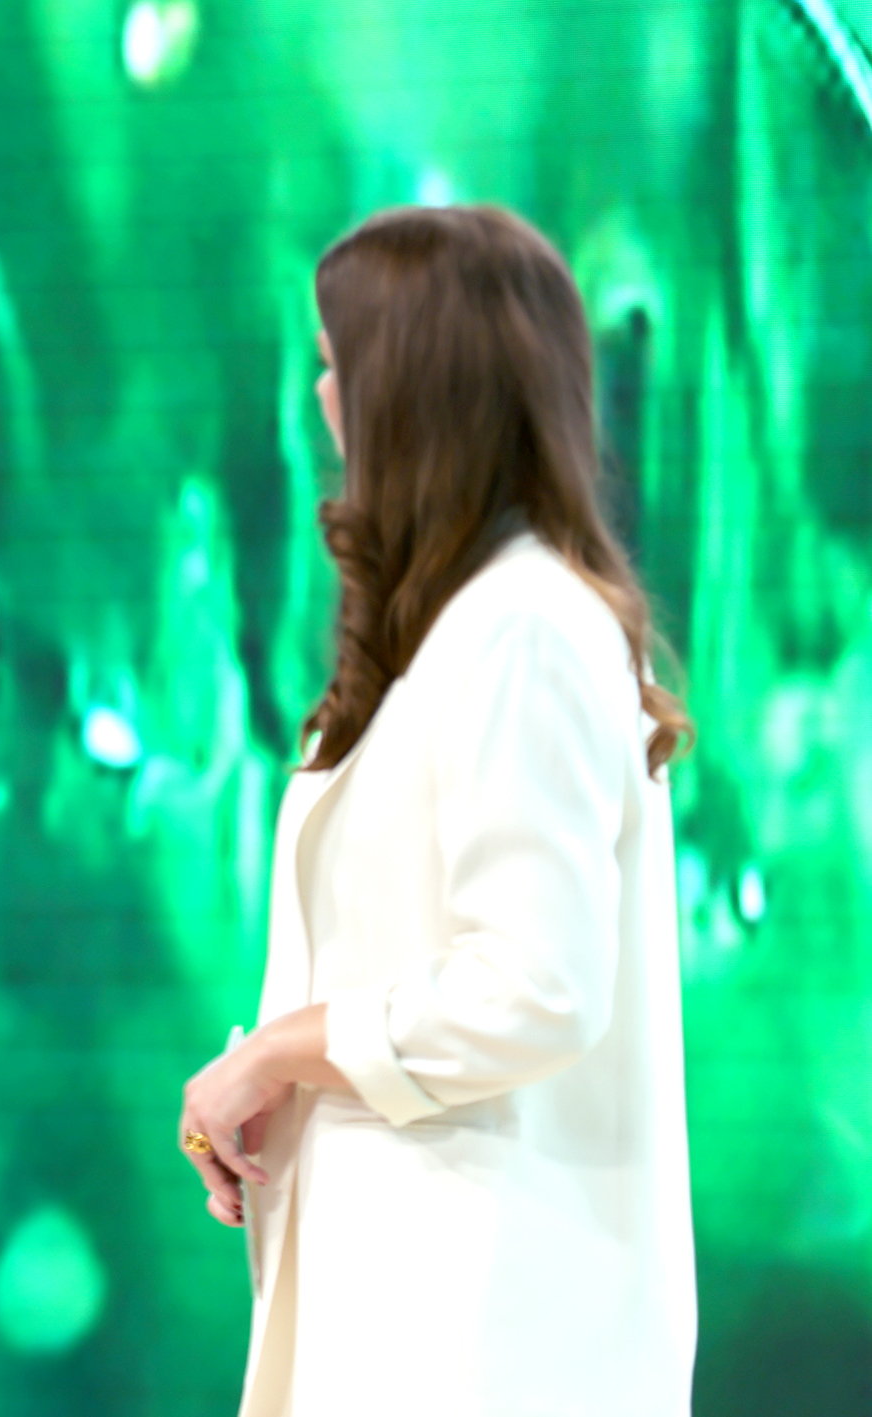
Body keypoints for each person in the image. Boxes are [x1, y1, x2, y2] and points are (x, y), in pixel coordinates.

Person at [177, 206, 697, 1415]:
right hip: (411, 1308)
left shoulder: (523, 629)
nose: (319, 398)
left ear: (409, 388)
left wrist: (274, 1054)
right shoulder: (468, 627)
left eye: (335, 363)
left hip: (485, 1332)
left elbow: (534, 986)